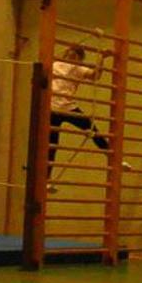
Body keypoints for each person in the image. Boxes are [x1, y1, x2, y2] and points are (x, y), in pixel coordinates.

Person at [48, 43, 115, 181]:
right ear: (67, 53)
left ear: (80, 58)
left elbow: (95, 75)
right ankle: (46, 178)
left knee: (92, 128)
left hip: (68, 108)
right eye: (71, 53)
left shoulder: (79, 69)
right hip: (52, 109)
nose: (72, 56)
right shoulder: (55, 65)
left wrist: (101, 58)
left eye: (76, 55)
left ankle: (113, 157)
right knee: (52, 144)